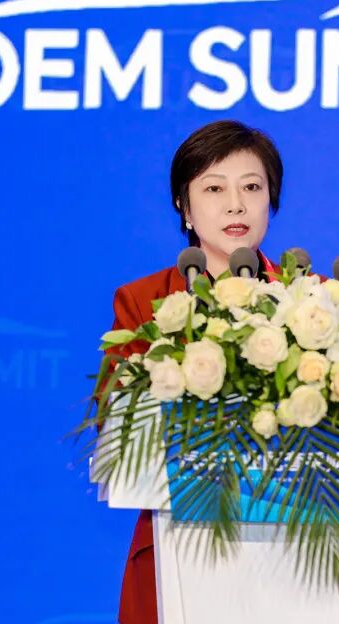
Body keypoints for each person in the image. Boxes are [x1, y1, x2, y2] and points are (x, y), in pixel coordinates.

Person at [106, 119, 284, 624]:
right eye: (214, 188)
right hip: (177, 544)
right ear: (184, 206)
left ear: (270, 200)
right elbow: (116, 424)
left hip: (298, 544)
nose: (236, 205)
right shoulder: (144, 301)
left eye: (252, 187)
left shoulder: (316, 299)